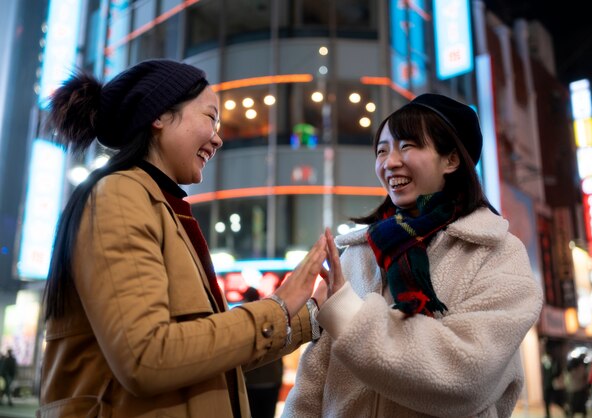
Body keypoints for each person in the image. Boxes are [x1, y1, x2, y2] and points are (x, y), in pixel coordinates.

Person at [38, 59, 329, 418]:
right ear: (159, 115)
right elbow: (147, 357)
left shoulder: (158, 203)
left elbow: (206, 353)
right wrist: (278, 307)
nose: (218, 138)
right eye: (211, 118)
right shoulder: (120, 195)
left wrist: (312, 314)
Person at [283, 93, 544, 417]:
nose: (390, 162)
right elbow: (312, 386)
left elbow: (465, 376)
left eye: (407, 146)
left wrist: (348, 315)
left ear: (451, 160)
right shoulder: (359, 253)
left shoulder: (496, 253)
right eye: (382, 150)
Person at [241, 287, 285, 418]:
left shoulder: (241, 323)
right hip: (271, 379)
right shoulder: (270, 317)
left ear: (244, 299)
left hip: (250, 382)